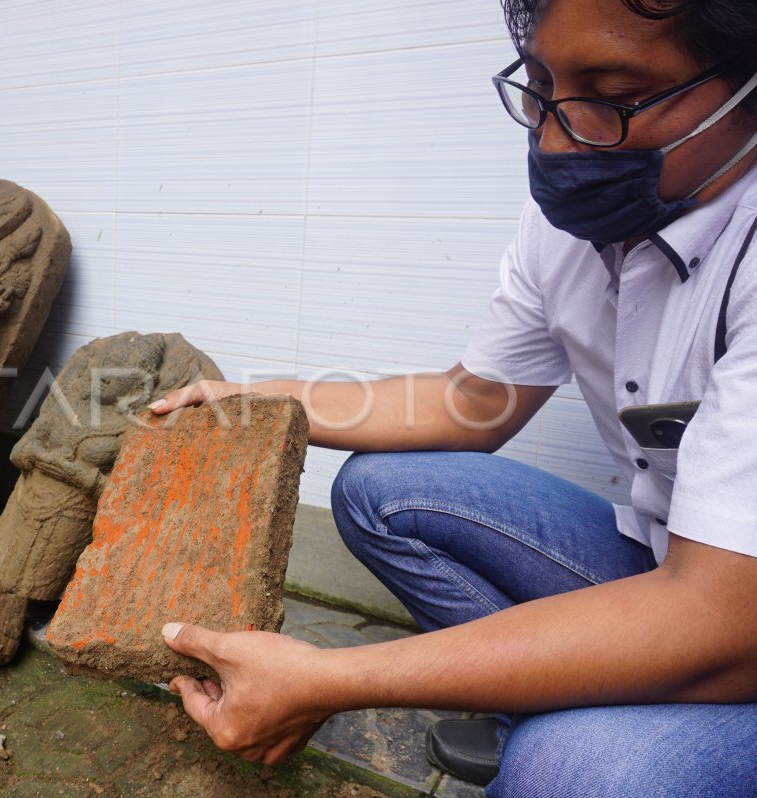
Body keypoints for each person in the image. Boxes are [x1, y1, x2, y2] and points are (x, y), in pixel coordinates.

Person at [151, 0, 757, 794]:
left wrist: (334, 680)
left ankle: (566, 730)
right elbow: (472, 401)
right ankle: (547, 702)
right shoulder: (573, 229)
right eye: (541, 87)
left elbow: (721, 619)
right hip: (672, 558)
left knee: (566, 775)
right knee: (380, 492)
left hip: (732, 611)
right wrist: (254, 399)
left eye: (613, 98)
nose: (555, 139)